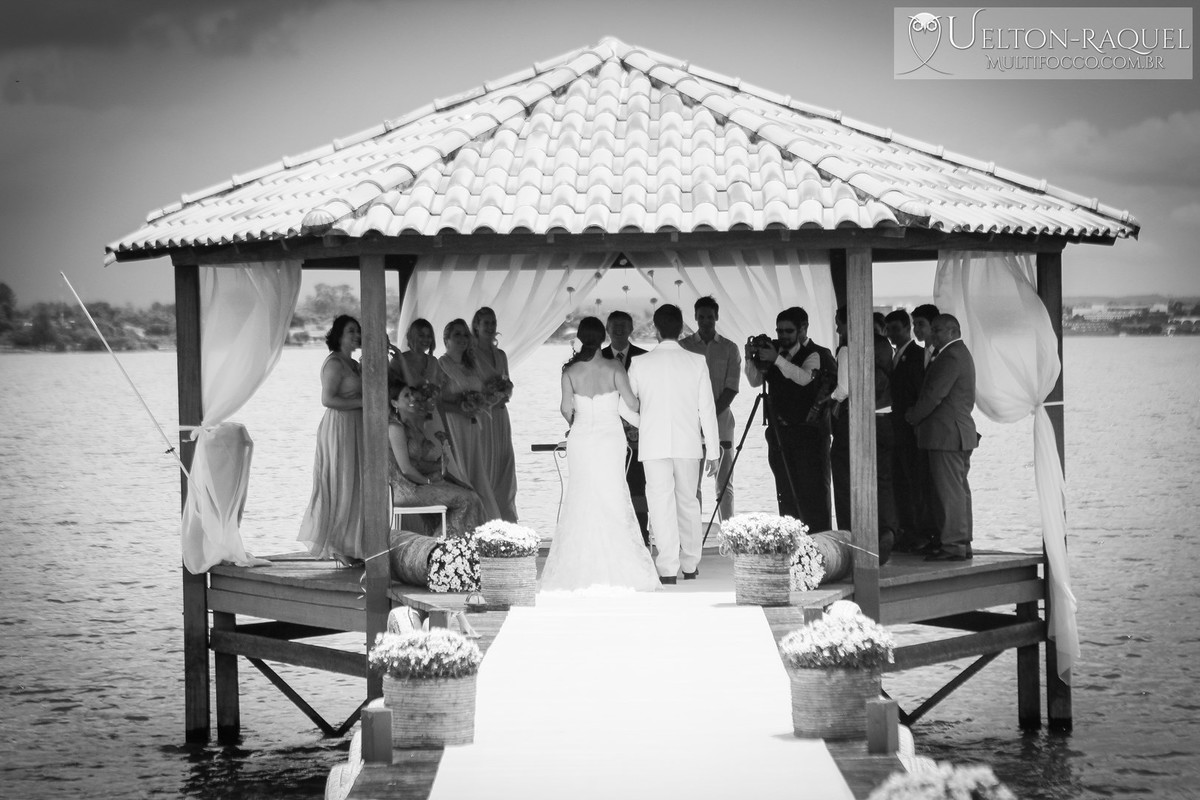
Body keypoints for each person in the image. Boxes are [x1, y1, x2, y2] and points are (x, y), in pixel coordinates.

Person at [540, 317, 660, 592]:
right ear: (603, 338)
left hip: (581, 439)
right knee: (613, 496)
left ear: (581, 339)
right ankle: (619, 563)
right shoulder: (615, 367)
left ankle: (579, 565)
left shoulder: (570, 372)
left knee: (581, 496)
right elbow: (632, 403)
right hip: (610, 439)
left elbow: (564, 409)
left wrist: (577, 423)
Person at [628, 304, 720, 584]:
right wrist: (715, 451)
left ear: (655, 329)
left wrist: (646, 423)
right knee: (688, 503)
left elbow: (623, 406)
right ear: (682, 329)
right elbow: (707, 409)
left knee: (660, 504)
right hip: (688, 442)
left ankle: (667, 568)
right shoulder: (696, 362)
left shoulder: (639, 363)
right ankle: (690, 564)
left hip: (653, 444)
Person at [745, 307, 837, 532]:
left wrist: (776, 359)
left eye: (788, 331)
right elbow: (755, 381)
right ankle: (791, 537)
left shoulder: (817, 353)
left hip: (810, 434)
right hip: (781, 433)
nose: (782, 336)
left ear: (803, 329)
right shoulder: (774, 351)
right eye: (779, 331)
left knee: (813, 490)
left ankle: (818, 540)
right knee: (785, 490)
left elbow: (804, 378)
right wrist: (750, 358)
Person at [905, 314, 979, 562]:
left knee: (950, 492)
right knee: (957, 490)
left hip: (947, 435)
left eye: (937, 330)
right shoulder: (955, 353)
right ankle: (960, 541)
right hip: (952, 434)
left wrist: (913, 416)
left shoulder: (951, 356)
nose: (932, 335)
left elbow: (935, 395)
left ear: (953, 331)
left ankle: (954, 545)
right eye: (932, 330)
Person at [828, 307, 897, 564]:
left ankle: (852, 538)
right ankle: (887, 529)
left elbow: (845, 388)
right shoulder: (883, 345)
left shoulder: (847, 348)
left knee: (847, 480)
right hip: (885, 419)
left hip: (858, 423)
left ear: (850, 324)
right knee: (883, 480)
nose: (838, 330)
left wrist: (832, 399)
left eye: (840, 324)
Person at [297, 315, 366, 567]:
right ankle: (337, 545)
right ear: (338, 335)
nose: (356, 335)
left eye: (358, 331)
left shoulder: (356, 363)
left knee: (356, 484)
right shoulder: (335, 363)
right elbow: (327, 399)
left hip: (357, 427)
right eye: (351, 331)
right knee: (341, 481)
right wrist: (363, 402)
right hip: (339, 427)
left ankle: (354, 543)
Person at [387, 379, 486, 539]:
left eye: (412, 394)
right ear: (394, 403)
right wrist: (428, 483)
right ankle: (443, 548)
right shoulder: (394, 428)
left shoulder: (409, 426)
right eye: (406, 396)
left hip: (415, 484)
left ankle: (451, 544)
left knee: (470, 494)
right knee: (466, 499)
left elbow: (417, 463)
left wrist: (439, 466)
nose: (413, 398)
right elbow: (406, 469)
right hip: (403, 489)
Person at [680, 295, 741, 522]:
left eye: (710, 316)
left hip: (722, 422)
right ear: (695, 317)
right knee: (691, 485)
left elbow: (732, 388)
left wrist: (709, 416)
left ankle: (729, 532)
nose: (705, 320)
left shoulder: (730, 348)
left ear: (716, 317)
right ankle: (693, 532)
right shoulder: (683, 347)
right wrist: (697, 416)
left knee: (724, 483)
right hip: (690, 424)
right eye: (701, 316)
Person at [437, 318, 502, 521]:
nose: (463, 339)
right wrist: (459, 407)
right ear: (446, 338)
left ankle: (487, 521)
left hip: (473, 425)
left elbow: (482, 392)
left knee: (477, 472)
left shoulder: (472, 364)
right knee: (460, 471)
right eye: (457, 334)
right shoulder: (442, 364)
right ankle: (464, 521)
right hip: (453, 424)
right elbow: (437, 401)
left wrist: (483, 401)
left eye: (465, 334)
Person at [885, 308, 937, 553]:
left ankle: (919, 533)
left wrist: (914, 421)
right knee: (901, 482)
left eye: (897, 329)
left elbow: (919, 393)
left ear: (907, 329)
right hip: (897, 430)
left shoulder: (916, 356)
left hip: (910, 430)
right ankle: (907, 531)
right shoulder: (894, 356)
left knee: (914, 483)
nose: (892, 334)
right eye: (889, 330)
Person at [600, 310, 650, 544]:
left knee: (638, 486)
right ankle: (612, 535)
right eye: (614, 326)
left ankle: (641, 533)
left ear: (631, 330)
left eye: (623, 326)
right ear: (607, 330)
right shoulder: (596, 359)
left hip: (639, 436)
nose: (619, 330)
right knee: (609, 486)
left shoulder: (645, 358)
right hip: (606, 435)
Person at [471, 307, 518, 522]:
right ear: (476, 326)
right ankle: (486, 517)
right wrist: (488, 394)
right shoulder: (470, 354)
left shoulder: (501, 355)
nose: (490, 327)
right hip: (482, 416)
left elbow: (507, 381)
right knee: (485, 462)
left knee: (504, 462)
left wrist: (505, 390)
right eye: (486, 323)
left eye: (493, 323)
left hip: (500, 414)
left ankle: (504, 515)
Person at [389, 318, 441, 387]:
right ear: (412, 336)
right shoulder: (397, 360)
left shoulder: (434, 362)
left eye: (429, 336)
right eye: (421, 335)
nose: (426, 339)